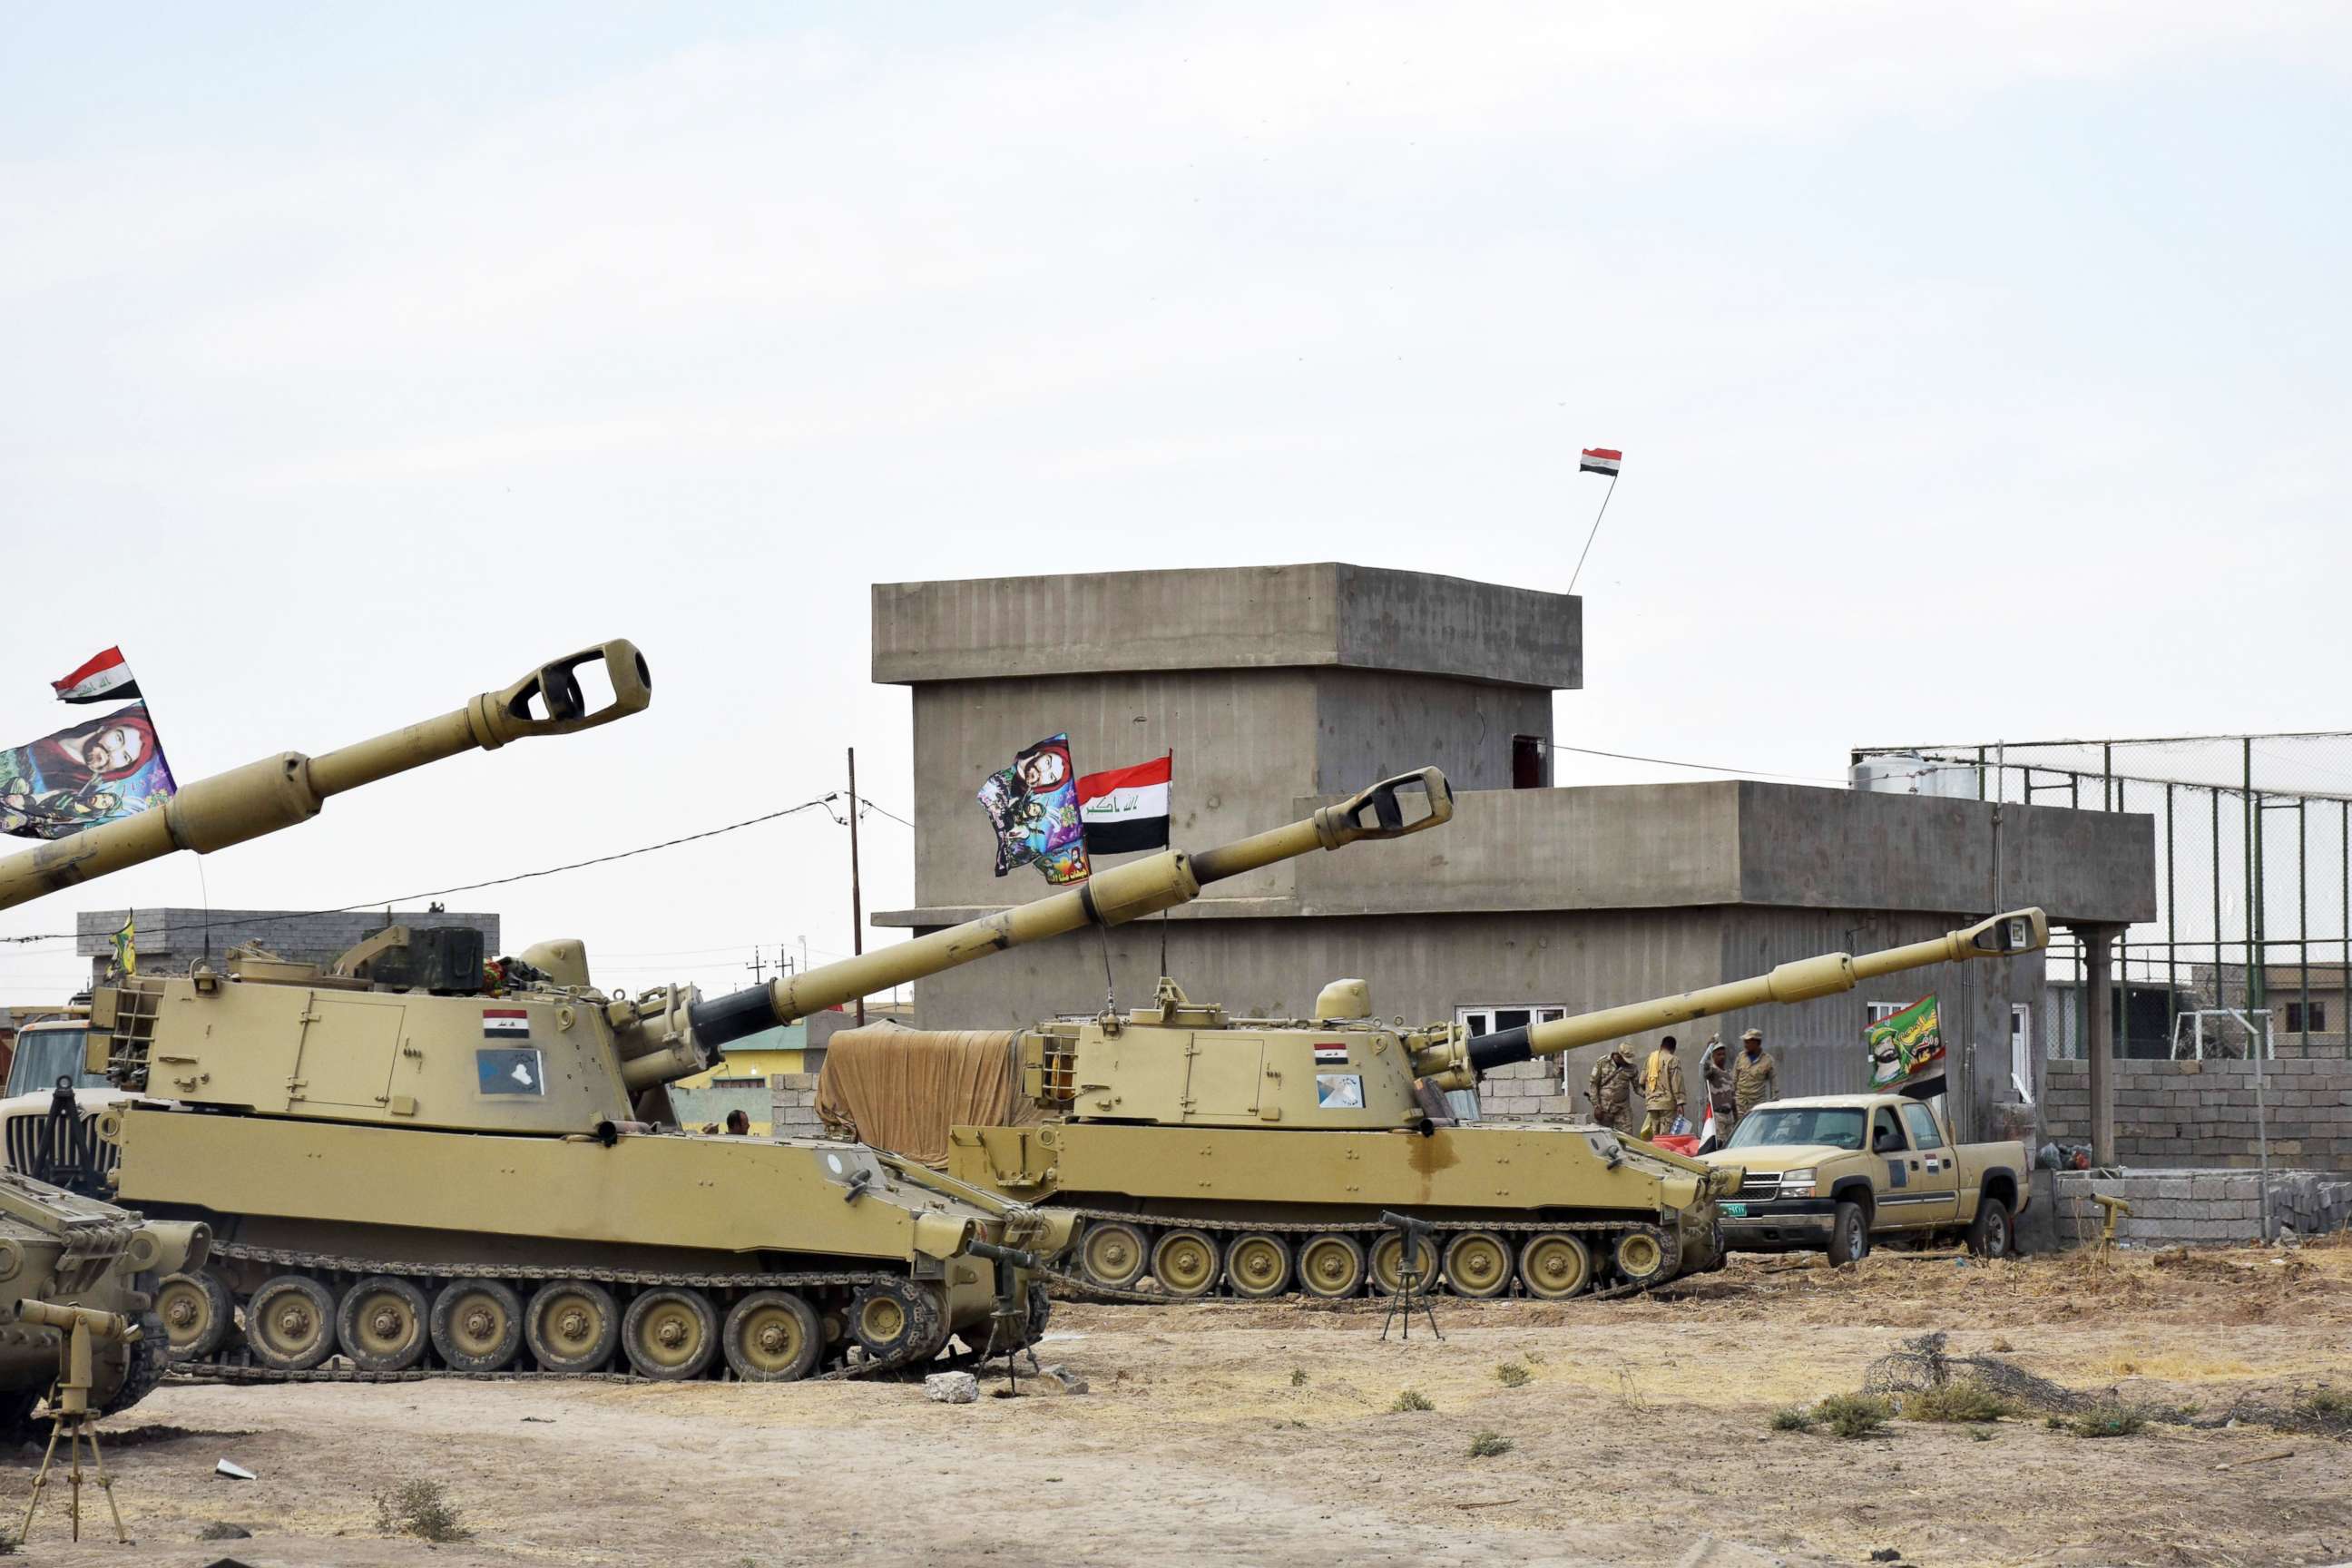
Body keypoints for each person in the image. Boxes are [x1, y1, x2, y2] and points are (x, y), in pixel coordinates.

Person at [1584, 1041, 1639, 1133]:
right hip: (1604, 1110)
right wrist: (1597, 1106)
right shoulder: (1603, 1062)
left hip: (1622, 1110)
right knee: (1603, 1137)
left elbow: (1637, 1087)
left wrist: (1649, 1095)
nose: (1626, 1062)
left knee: (1627, 1138)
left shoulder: (1632, 1068)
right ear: (1618, 1055)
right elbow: (1594, 1084)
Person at [1640, 1034, 1684, 1141]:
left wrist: (1650, 1093)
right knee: (1665, 1137)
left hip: (1652, 1104)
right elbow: (1676, 1082)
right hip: (1667, 1104)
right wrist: (1680, 1102)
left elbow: (1641, 1081)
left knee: (1654, 1136)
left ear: (1661, 1046)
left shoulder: (1650, 1059)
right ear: (1673, 1048)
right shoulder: (1673, 1059)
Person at [1732, 1028, 1779, 1127]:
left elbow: (1774, 1084)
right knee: (1740, 1130)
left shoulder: (1767, 1060)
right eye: (1745, 1042)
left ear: (1757, 1043)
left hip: (1757, 1104)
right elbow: (1734, 1080)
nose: (1745, 1045)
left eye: (1748, 1042)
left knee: (1757, 1130)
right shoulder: (1741, 1057)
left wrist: (1773, 1103)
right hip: (1741, 1104)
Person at [1699, 1037, 1737, 1139]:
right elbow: (1704, 1066)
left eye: (1723, 1054)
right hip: (1717, 1116)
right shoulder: (1712, 1071)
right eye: (1719, 1054)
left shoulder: (1728, 1074)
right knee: (1719, 1146)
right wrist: (1709, 1048)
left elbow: (1733, 1098)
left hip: (1729, 1116)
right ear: (1713, 1056)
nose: (1722, 1057)